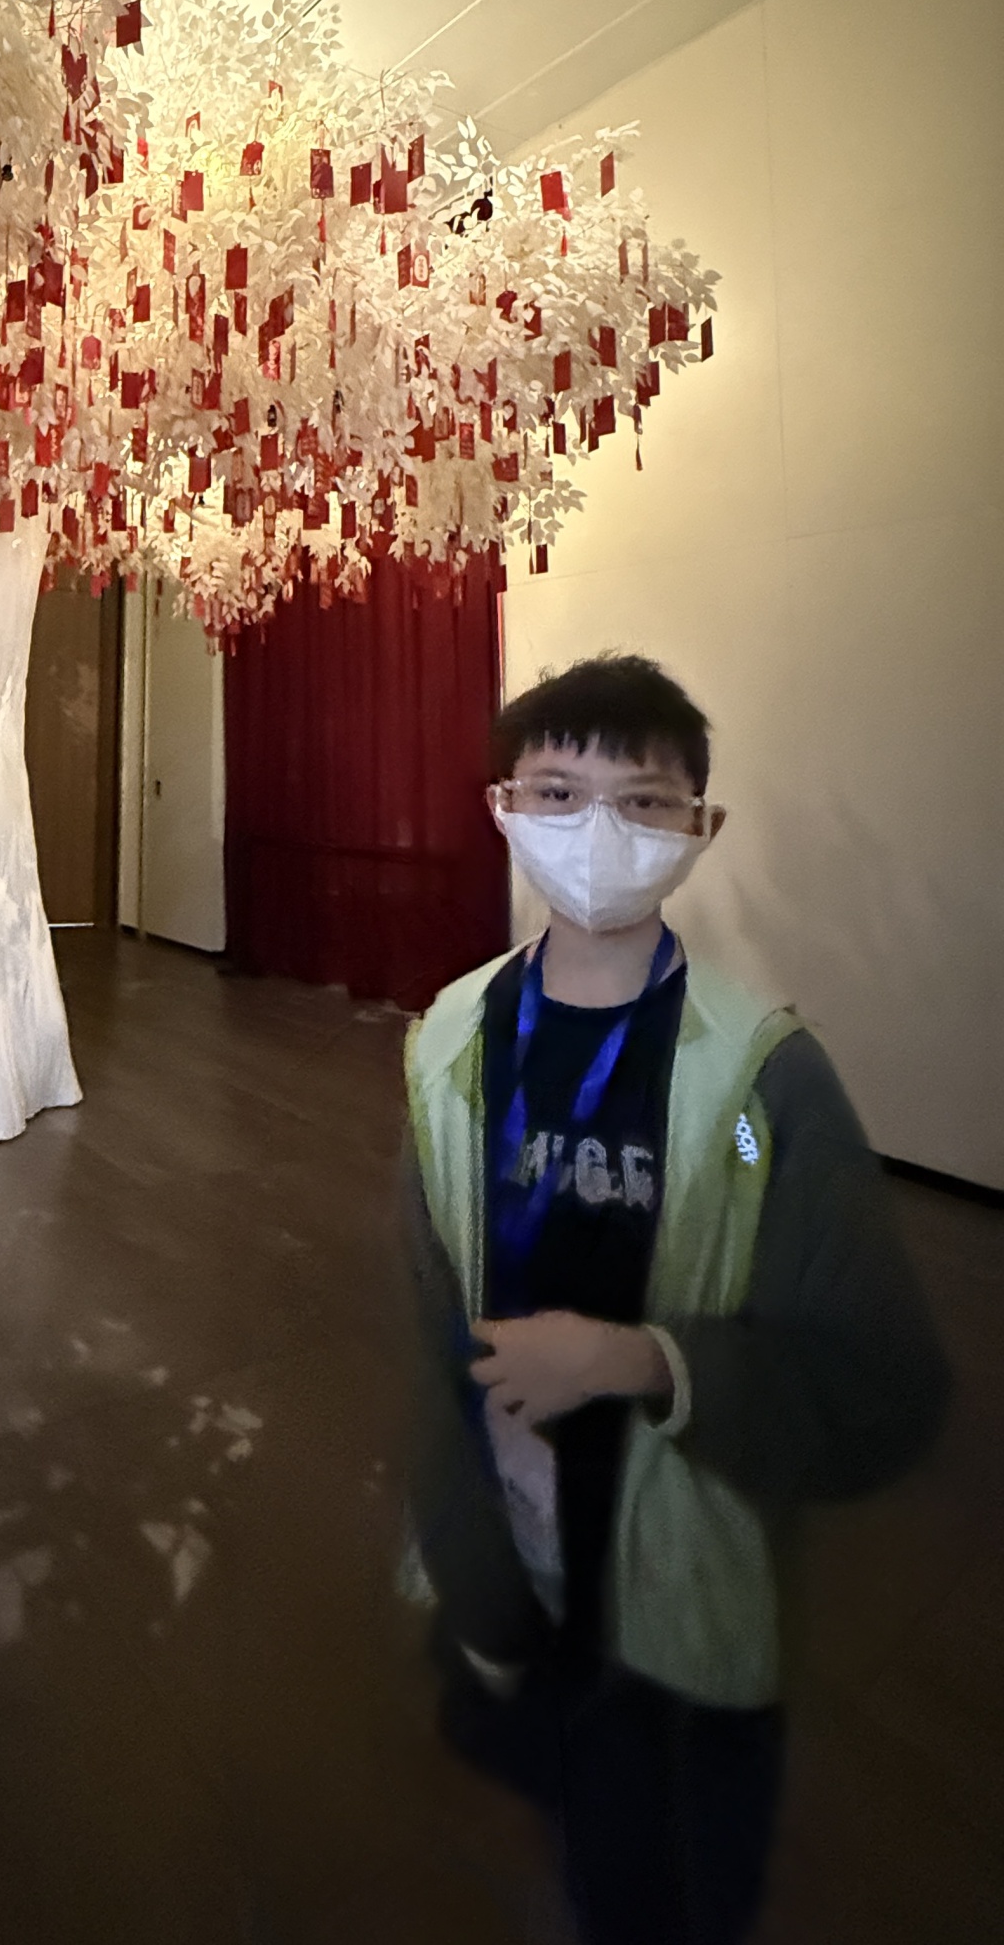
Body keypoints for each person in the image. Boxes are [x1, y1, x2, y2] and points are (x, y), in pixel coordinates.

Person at [400, 654, 950, 1945]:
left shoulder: (769, 1079)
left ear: (702, 829)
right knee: (569, 1816)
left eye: (643, 802)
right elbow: (428, 1323)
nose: (597, 830)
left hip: (684, 1596)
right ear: (502, 809)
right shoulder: (446, 1038)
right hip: (513, 1553)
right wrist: (467, 1561)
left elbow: (883, 1385)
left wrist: (640, 1362)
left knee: (677, 1881)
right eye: (557, 792)